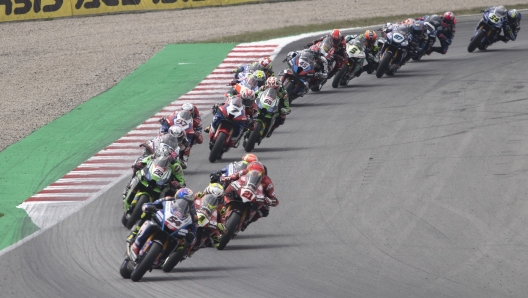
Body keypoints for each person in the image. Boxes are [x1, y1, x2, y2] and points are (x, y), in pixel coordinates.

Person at [128, 188, 197, 258]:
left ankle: (165, 258)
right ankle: (134, 234)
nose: (183, 204)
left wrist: (191, 235)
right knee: (146, 214)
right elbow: (153, 204)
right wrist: (149, 207)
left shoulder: (192, 211)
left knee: (180, 244)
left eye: (188, 202)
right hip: (161, 219)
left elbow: (194, 227)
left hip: (175, 229)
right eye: (181, 201)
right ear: (177, 197)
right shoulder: (168, 199)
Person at [220, 161, 279, 231]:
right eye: (252, 172)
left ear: (263, 175)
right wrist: (227, 178)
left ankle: (247, 222)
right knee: (221, 190)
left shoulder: (267, 182)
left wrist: (270, 201)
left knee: (265, 210)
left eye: (258, 173)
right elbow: (234, 176)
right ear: (248, 171)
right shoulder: (243, 172)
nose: (254, 174)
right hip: (242, 190)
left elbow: (275, 199)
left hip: (256, 197)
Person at [192, 183, 226, 249]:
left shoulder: (221, 208)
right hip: (193, 215)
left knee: (217, 240)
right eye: (209, 196)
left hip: (209, 224)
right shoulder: (199, 195)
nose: (212, 200)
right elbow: (188, 199)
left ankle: (202, 241)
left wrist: (221, 226)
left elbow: (223, 224)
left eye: (217, 199)